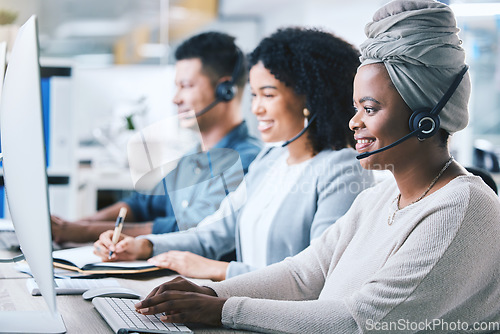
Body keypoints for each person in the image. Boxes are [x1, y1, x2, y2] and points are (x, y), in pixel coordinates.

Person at [129, 1, 500, 332]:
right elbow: (305, 273)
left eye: (369, 109)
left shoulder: (461, 207)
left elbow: (357, 321)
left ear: (425, 119)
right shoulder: (380, 199)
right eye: (356, 108)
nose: (353, 122)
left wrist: (222, 309)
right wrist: (208, 291)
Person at [94, 27, 375, 281]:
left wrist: (221, 270)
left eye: (268, 95)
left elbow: (318, 276)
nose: (256, 108)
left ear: (311, 97)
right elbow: (211, 234)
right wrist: (145, 245)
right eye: (253, 95)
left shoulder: (341, 169)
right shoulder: (271, 160)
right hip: (241, 307)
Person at [51, 32, 262, 244]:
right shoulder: (192, 157)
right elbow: (142, 205)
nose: (176, 98)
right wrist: (76, 224)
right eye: (176, 86)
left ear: (225, 90)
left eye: (186, 86)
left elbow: (187, 230)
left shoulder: (245, 162)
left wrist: (81, 232)